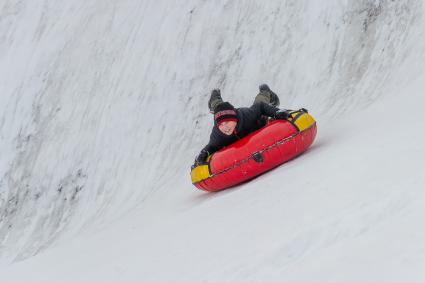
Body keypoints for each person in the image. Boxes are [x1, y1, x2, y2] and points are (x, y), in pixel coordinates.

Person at [193, 84, 292, 167]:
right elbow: (211, 146)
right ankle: (215, 96)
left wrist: (276, 112)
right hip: (224, 112)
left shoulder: (247, 115)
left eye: (227, 122)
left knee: (260, 101)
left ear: (234, 120)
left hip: (257, 123)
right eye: (221, 125)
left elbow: (261, 107)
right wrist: (204, 153)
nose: (225, 127)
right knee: (217, 106)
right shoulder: (218, 133)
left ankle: (266, 91)